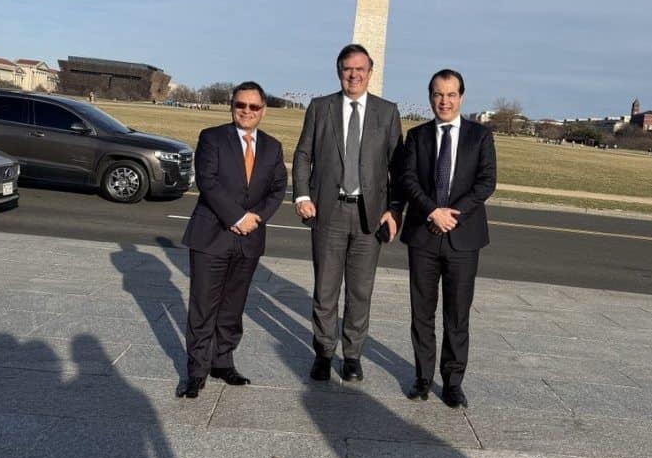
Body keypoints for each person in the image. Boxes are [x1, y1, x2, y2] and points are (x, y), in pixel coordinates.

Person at [293, 44, 404, 383]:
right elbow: (302, 155)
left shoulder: (387, 113)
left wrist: (395, 211)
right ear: (338, 71)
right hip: (329, 211)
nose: (353, 75)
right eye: (347, 69)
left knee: (360, 290)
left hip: (369, 216)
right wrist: (301, 194)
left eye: (360, 69)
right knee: (325, 289)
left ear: (370, 72)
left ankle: (352, 355)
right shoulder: (320, 107)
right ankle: (324, 352)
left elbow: (398, 167)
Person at [178, 81, 287, 398]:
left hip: (249, 239)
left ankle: (222, 362)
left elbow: (278, 188)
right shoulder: (212, 138)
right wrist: (237, 217)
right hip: (212, 235)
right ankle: (196, 372)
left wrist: (257, 218)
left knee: (232, 307)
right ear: (232, 106)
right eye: (241, 105)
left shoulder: (272, 146)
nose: (247, 111)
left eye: (254, 107)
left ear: (263, 110)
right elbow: (207, 183)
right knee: (203, 307)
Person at [401, 69, 496, 408]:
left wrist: (452, 213)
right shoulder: (416, 136)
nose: (444, 101)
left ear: (462, 97)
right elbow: (407, 179)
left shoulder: (480, 136)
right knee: (422, 313)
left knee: (457, 315)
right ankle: (423, 378)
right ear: (430, 97)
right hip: (424, 236)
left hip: (463, 237)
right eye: (438, 94)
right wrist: (432, 211)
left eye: (451, 94)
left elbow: (486, 183)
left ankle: (453, 382)